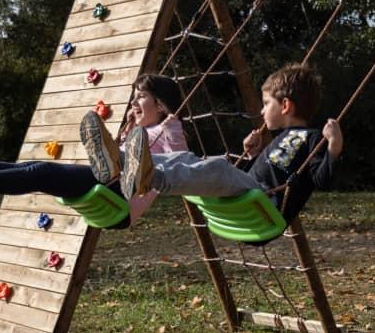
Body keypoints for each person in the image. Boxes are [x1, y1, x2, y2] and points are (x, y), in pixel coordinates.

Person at [85, 63, 343, 225]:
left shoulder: (312, 138)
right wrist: (253, 154)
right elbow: (267, 171)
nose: (262, 111)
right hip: (253, 193)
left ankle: (149, 177)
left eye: (266, 104)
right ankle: (120, 160)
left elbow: (321, 181)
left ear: (285, 106)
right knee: (186, 160)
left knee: (218, 167)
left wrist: (333, 145)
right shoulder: (277, 140)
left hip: (267, 206)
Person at [0, 74, 188, 213]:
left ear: (161, 105)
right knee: (33, 167)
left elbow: (181, 161)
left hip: (119, 198)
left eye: (141, 97)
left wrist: (170, 123)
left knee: (41, 173)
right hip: (108, 185)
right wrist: (130, 126)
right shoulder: (141, 132)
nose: (133, 103)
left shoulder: (169, 130)